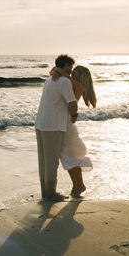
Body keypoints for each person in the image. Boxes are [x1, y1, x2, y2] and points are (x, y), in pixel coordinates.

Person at [35, 54, 78, 202]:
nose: (71, 69)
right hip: (52, 125)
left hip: (40, 123)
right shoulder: (64, 81)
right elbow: (72, 102)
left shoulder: (50, 79)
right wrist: (74, 115)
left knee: (43, 161)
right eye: (70, 66)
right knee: (52, 161)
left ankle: (45, 192)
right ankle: (51, 193)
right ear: (65, 65)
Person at [51, 65, 97, 198]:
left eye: (75, 73)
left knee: (70, 158)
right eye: (72, 72)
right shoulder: (71, 83)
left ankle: (79, 185)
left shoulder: (76, 86)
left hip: (67, 126)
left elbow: (70, 103)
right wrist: (56, 71)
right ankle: (78, 185)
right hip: (65, 124)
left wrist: (56, 72)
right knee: (69, 158)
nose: (71, 74)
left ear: (80, 76)